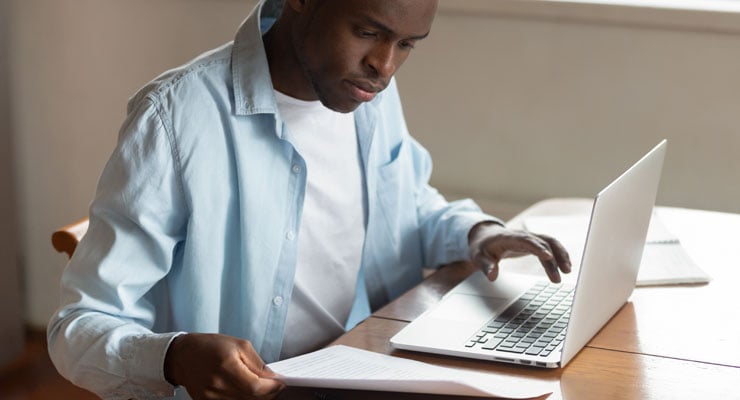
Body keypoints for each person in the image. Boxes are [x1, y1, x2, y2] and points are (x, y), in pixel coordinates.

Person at [47, 0, 571, 399]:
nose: (385, 66)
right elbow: (76, 328)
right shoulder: (176, 119)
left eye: (408, 45)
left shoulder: (366, 94)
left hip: (362, 369)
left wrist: (482, 233)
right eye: (368, 32)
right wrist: (173, 356)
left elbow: (410, 209)